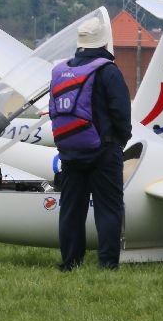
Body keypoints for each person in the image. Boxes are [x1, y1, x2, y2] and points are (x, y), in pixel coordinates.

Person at [50, 15, 131, 271]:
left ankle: (70, 262)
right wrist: (119, 141)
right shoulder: (108, 71)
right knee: (108, 209)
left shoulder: (62, 70)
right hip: (103, 150)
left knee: (71, 209)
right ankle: (107, 264)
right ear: (104, 42)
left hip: (70, 149)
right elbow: (122, 113)